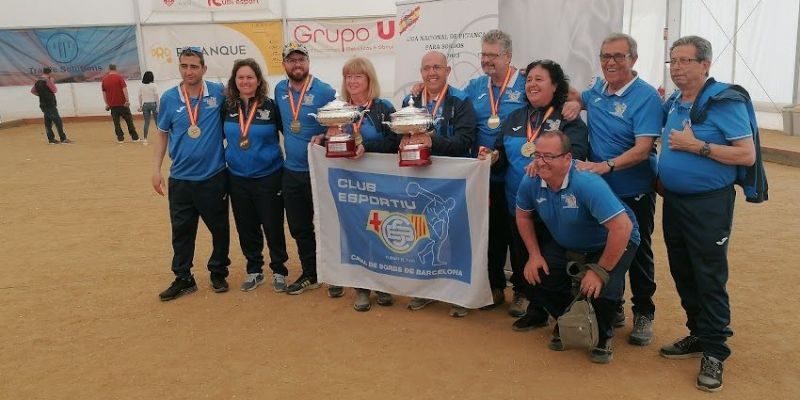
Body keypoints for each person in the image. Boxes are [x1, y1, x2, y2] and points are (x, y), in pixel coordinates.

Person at [658, 35, 756, 393]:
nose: (678, 68)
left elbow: (746, 155)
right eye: (674, 61)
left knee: (709, 275)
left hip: (708, 204)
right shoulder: (674, 101)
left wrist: (694, 146)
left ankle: (715, 351)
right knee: (683, 270)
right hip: (675, 202)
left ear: (705, 64)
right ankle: (698, 333)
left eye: (685, 61)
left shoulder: (723, 101)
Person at [566, 33, 663, 346]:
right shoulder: (597, 89)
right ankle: (615, 306)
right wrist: (572, 99)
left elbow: (644, 148)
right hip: (601, 191)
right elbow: (578, 95)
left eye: (618, 56)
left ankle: (644, 312)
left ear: (633, 59)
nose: (611, 62)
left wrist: (605, 165)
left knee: (638, 251)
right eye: (606, 56)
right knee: (606, 248)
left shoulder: (646, 96)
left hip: (633, 190)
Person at [482, 59, 589, 332]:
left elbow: (575, 154)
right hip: (517, 204)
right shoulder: (515, 118)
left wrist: (544, 164)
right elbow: (502, 153)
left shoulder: (567, 118)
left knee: (552, 263)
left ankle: (558, 313)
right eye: (529, 79)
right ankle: (535, 308)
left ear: (555, 85)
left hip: (554, 207)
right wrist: (492, 157)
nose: (532, 84)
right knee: (521, 258)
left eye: (539, 79)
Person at [516, 130, 639, 364]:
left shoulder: (586, 182)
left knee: (601, 287)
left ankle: (603, 336)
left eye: (549, 156)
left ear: (567, 158)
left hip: (612, 240)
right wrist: (533, 255)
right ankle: (568, 321)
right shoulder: (531, 179)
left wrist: (599, 271)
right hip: (569, 242)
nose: (541, 162)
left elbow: (621, 228)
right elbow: (523, 216)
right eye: (537, 155)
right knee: (538, 275)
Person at [311, 57, 399, 311]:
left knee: (379, 233)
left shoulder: (383, 108)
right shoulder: (336, 109)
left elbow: (394, 143)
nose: (352, 81)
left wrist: (367, 146)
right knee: (356, 234)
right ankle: (361, 288)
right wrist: (323, 138)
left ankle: (382, 284)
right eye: (348, 76)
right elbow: (331, 145)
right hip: (348, 185)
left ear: (369, 79)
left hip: (378, 184)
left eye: (358, 76)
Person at [402, 51, 477, 318]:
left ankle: (459, 294)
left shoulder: (461, 101)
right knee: (423, 236)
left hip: (452, 184)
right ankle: (425, 290)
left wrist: (432, 142)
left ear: (447, 70)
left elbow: (466, 141)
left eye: (437, 67)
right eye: (426, 68)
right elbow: (400, 136)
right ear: (421, 72)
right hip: (420, 180)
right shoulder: (410, 100)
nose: (432, 72)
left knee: (455, 238)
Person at [153, 47, 231, 301]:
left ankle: (218, 272)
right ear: (180, 68)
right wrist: (156, 169)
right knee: (182, 232)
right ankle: (183, 277)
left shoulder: (218, 93)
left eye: (194, 66)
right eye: (184, 66)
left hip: (213, 177)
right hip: (181, 179)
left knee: (219, 229)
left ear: (204, 69)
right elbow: (163, 133)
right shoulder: (169, 98)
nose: (189, 71)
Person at [462, 29, 529, 315]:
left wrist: (577, 99)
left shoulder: (526, 82)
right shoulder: (476, 85)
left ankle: (524, 292)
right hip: (483, 177)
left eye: (492, 55)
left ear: (508, 56)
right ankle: (495, 286)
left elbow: (554, 99)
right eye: (484, 54)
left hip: (517, 175)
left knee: (520, 235)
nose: (486, 60)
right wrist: (420, 90)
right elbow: (451, 101)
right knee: (490, 234)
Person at [222, 58, 290, 293]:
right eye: (241, 77)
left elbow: (289, 134)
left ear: (258, 80)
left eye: (250, 77)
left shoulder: (271, 107)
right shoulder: (227, 107)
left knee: (272, 225)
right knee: (246, 226)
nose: (245, 81)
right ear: (234, 81)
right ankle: (254, 270)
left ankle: (279, 270)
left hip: (269, 176)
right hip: (237, 177)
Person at [274, 41, 336, 295]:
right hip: (292, 171)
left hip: (319, 171)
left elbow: (337, 125)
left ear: (308, 62)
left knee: (328, 223)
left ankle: (335, 276)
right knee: (299, 226)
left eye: (301, 60)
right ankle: (311, 273)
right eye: (292, 60)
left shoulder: (325, 91)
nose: (297, 64)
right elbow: (283, 124)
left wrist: (323, 136)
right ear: (284, 64)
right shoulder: (279, 90)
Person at [30, 67, 72, 144]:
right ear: (49, 73)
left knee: (48, 122)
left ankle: (51, 139)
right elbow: (54, 90)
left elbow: (33, 91)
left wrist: (41, 95)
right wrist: (51, 82)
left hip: (43, 104)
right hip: (50, 104)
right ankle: (63, 139)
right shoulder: (48, 80)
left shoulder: (38, 81)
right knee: (58, 121)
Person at [102, 64, 140, 143]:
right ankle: (135, 137)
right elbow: (124, 90)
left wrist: (107, 104)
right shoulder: (119, 78)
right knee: (129, 121)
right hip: (123, 104)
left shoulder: (104, 80)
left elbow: (104, 93)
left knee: (116, 123)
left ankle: (120, 138)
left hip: (113, 106)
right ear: (116, 69)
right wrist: (127, 101)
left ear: (109, 69)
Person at [138, 71, 159, 145]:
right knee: (158, 123)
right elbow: (156, 96)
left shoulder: (141, 85)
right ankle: (161, 139)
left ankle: (145, 139)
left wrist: (140, 106)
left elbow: (140, 96)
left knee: (146, 123)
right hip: (153, 104)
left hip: (145, 105)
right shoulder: (154, 85)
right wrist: (158, 106)